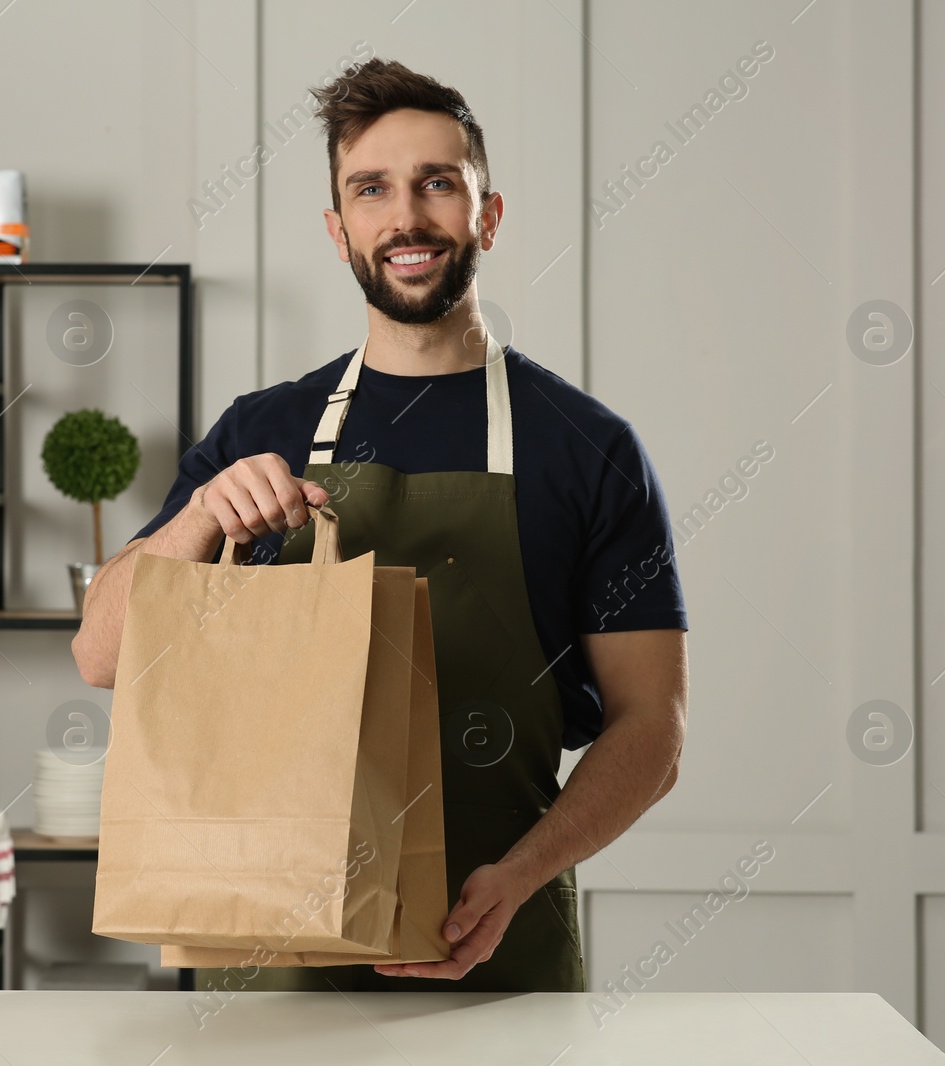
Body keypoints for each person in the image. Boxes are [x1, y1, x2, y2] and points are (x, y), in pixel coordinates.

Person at [72, 57, 688, 993]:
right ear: (339, 229)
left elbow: (653, 728)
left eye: (437, 184)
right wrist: (199, 518)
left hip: (494, 947)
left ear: (487, 215)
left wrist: (517, 880)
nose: (406, 217)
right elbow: (103, 656)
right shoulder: (259, 431)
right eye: (372, 190)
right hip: (270, 954)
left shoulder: (588, 447)